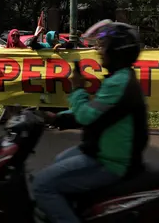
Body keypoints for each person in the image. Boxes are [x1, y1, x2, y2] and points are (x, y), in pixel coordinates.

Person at [33, 21, 149, 223]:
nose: (98, 51)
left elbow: (87, 115)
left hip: (110, 160)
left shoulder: (119, 82)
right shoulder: (120, 77)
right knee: (60, 159)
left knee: (43, 185)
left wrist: (77, 88)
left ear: (116, 50)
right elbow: (98, 111)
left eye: (103, 46)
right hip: (102, 150)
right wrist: (57, 117)